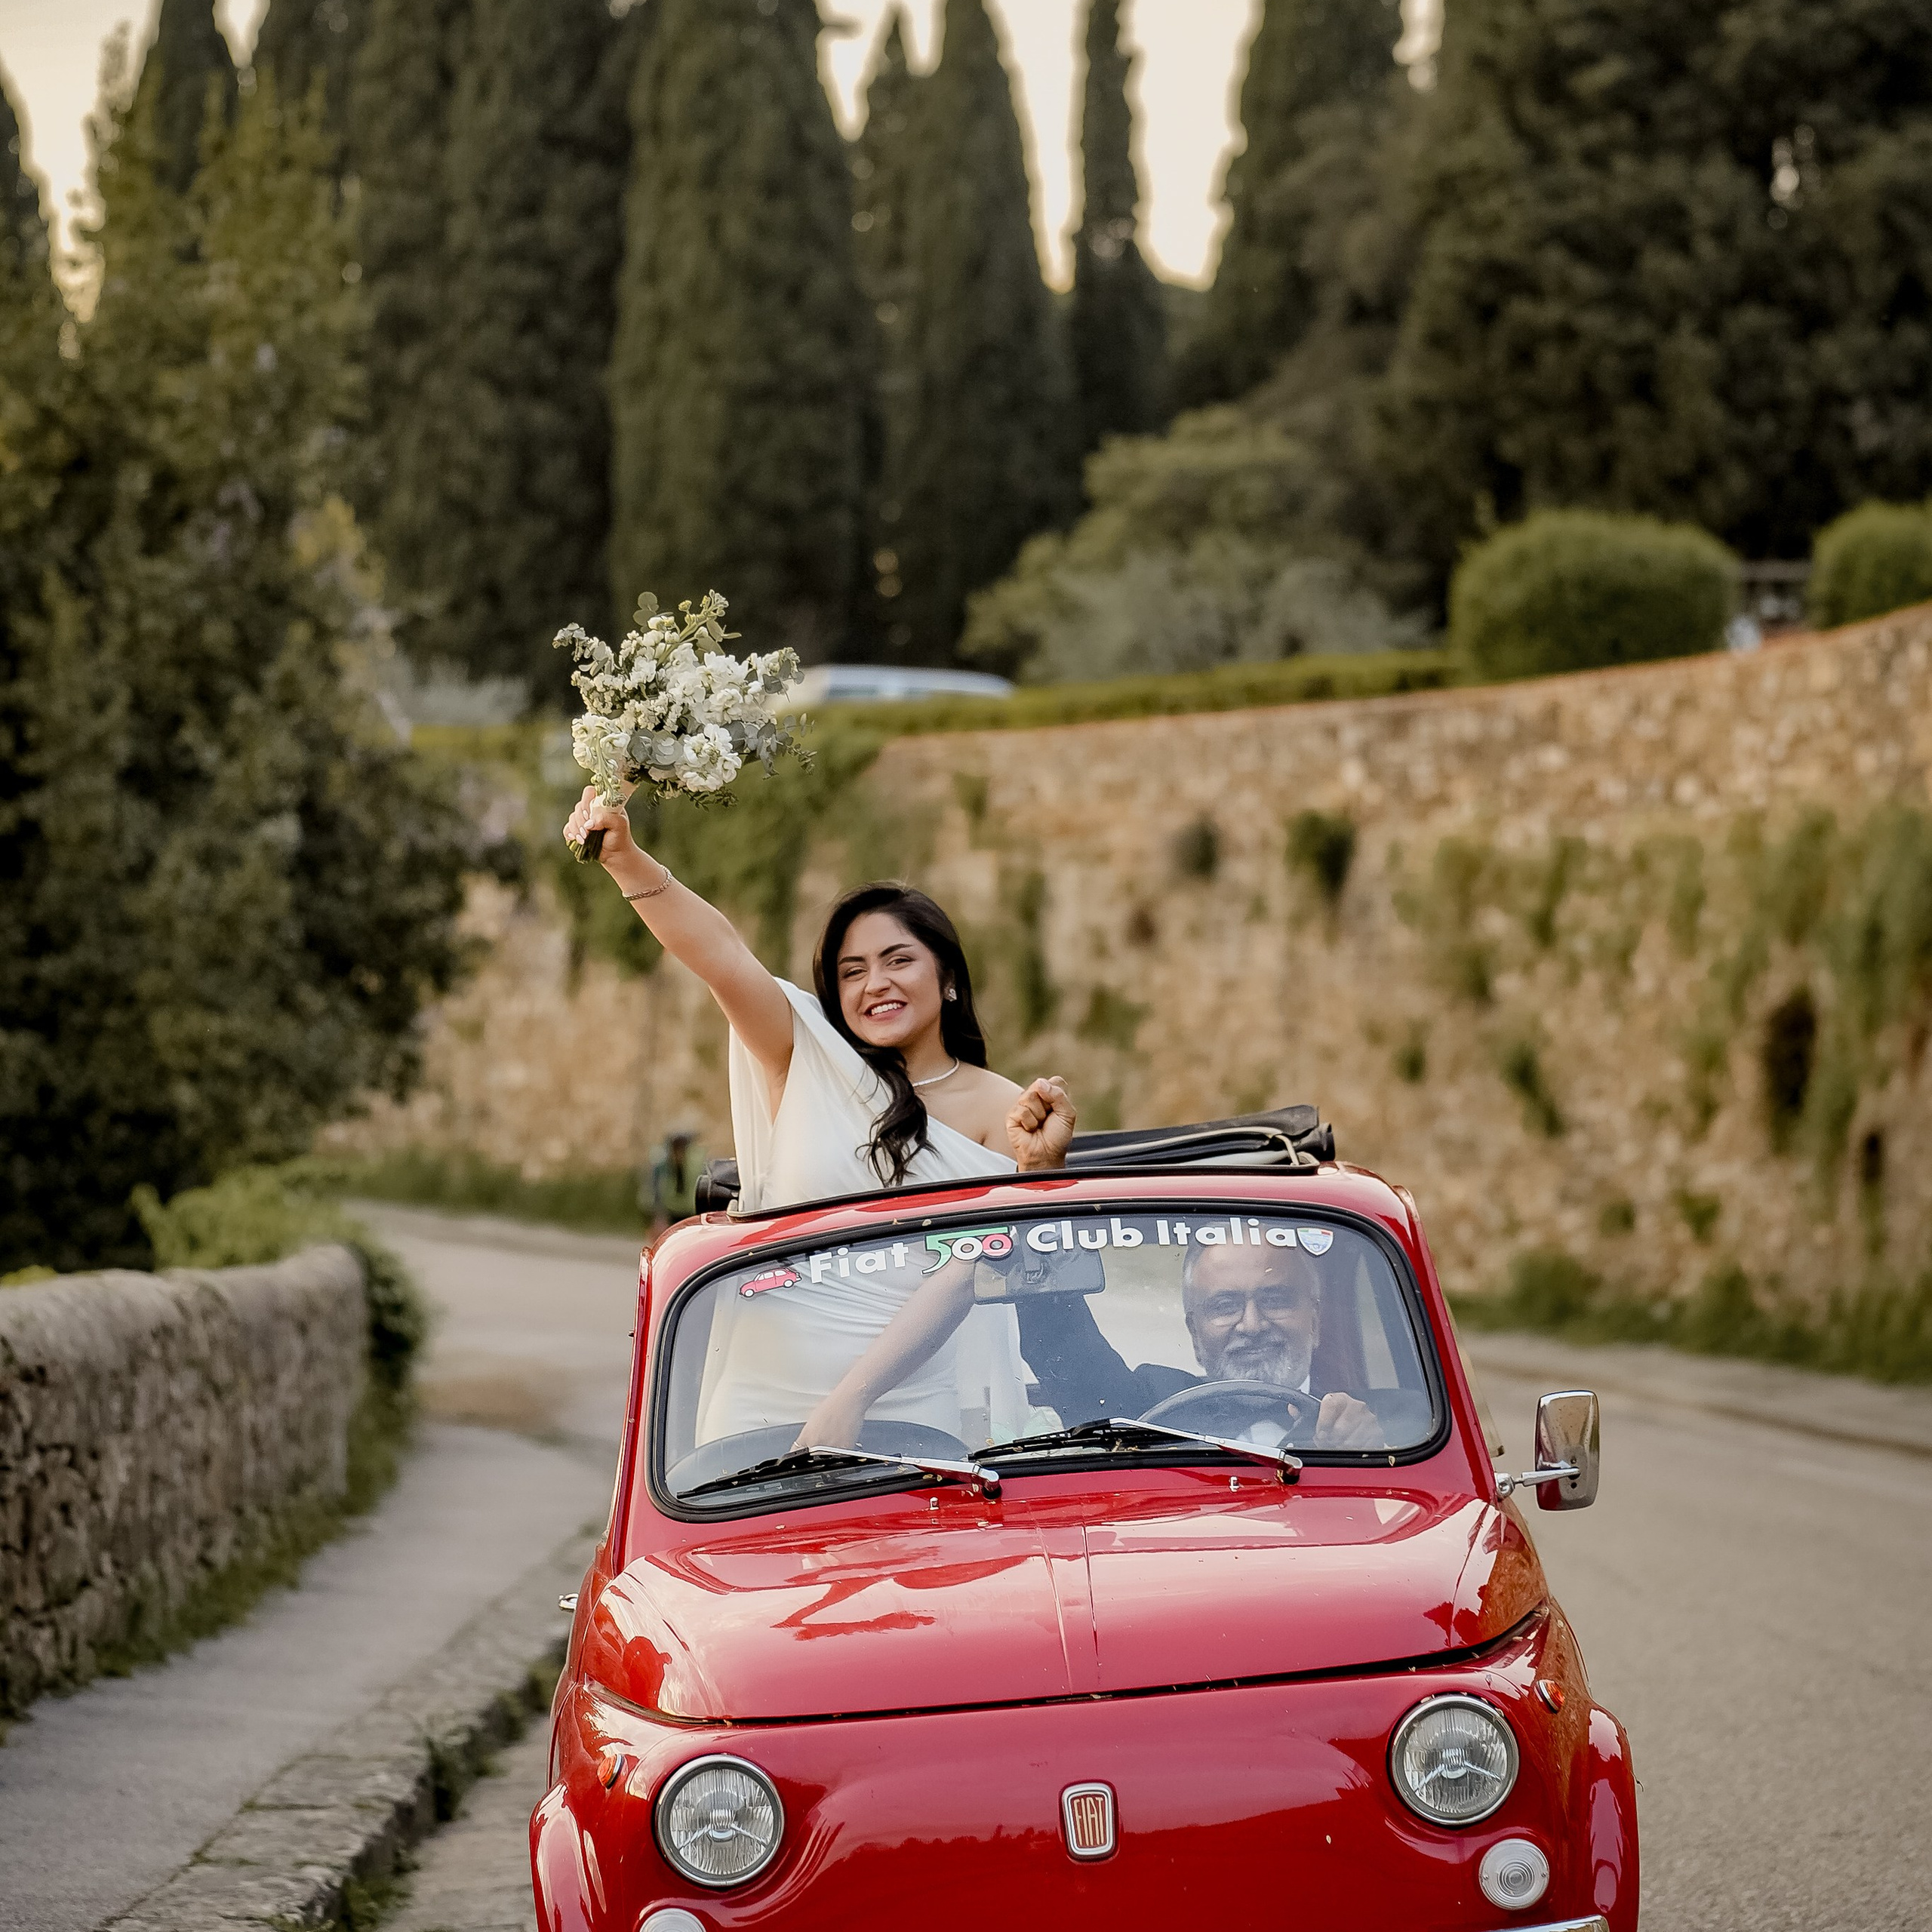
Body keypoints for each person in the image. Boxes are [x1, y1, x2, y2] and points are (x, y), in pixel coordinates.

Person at [562, 789, 1077, 1450]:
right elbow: (719, 954)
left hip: (911, 1408)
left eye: (899, 960)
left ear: (947, 977)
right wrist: (625, 860)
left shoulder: (1007, 1111)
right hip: (758, 1399)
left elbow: (974, 1268)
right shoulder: (803, 1056)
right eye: (852, 972)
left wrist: (850, 1402)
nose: (876, 985)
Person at [1017, 1238, 1383, 1449]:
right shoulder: (1145, 1408)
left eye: (1275, 1299)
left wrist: (1370, 1454)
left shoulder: (1397, 1423)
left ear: (1315, 1322)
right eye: (1225, 1306)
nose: (1251, 1325)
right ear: (1194, 1334)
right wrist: (1039, 1180)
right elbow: (1061, 1343)